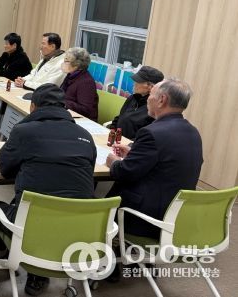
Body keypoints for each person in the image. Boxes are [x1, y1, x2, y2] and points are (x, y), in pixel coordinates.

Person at [0, 83, 96, 295]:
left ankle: (7, 257)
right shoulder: (85, 135)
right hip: (76, 230)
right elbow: (88, 173)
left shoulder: (23, 131)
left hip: (31, 227)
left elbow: (5, 168)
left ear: (33, 107)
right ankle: (38, 274)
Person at [106, 78, 203, 239]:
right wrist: (134, 154)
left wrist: (114, 162)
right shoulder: (193, 132)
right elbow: (166, 163)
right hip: (176, 214)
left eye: (151, 95)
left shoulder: (151, 132)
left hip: (145, 218)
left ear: (161, 100)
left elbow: (124, 173)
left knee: (96, 201)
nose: (148, 100)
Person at [109, 65, 164, 139]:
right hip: (117, 139)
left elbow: (147, 136)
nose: (134, 83)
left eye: (138, 81)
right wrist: (112, 130)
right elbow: (119, 117)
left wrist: (128, 143)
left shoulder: (154, 108)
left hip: (132, 144)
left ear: (150, 87)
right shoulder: (132, 98)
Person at [60, 47, 98, 121]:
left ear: (77, 64)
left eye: (67, 61)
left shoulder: (86, 82)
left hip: (83, 121)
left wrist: (63, 102)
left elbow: (85, 109)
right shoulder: (71, 75)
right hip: (67, 115)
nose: (63, 63)